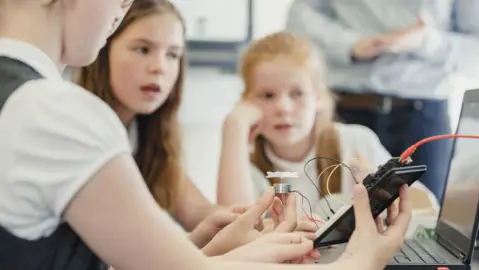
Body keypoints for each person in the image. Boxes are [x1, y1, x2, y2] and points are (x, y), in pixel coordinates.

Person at [0, 0, 413, 269]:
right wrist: (361, 261)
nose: (122, 6)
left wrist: (207, 250)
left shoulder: (27, 99)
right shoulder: (52, 111)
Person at [74, 0, 318, 252]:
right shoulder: (80, 129)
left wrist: (274, 227)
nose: (159, 67)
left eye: (173, 55)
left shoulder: (147, 135)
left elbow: (200, 212)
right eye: (142, 49)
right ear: (103, 48)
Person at [217, 31, 438, 219]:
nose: (283, 107)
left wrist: (383, 195)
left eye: (297, 93)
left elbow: (429, 209)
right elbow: (233, 228)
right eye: (267, 95)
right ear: (246, 103)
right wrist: (234, 128)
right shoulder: (243, 160)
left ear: (319, 97)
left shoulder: (356, 142)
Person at [283, 0, 479, 202]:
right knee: (335, 216)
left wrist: (427, 41)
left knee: (426, 220)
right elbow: (299, 18)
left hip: (423, 117)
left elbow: (475, 48)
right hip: (345, 109)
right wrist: (350, 44)